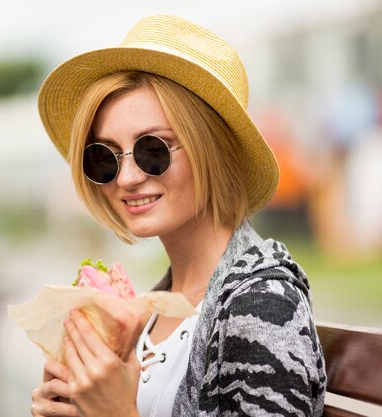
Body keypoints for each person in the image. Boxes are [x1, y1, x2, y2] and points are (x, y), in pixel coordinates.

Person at [31, 14, 326, 417]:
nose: (128, 178)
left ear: (212, 150)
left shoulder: (263, 305)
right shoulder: (152, 311)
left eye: (154, 149)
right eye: (104, 157)